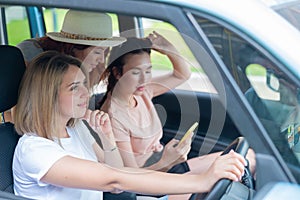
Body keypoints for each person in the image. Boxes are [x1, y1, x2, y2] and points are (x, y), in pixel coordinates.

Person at [12, 51, 247, 200]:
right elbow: (113, 179)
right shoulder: (35, 150)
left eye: (85, 84)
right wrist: (201, 180)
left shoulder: (77, 129)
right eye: (74, 88)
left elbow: (119, 174)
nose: (86, 93)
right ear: (47, 95)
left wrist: (107, 137)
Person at [99, 33, 256, 199]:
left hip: (166, 165)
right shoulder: (112, 116)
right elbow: (130, 178)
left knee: (246, 158)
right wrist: (166, 163)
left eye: (148, 70)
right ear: (117, 73)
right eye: (136, 73)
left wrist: (167, 48)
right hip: (149, 181)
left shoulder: (142, 93)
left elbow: (182, 74)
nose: (144, 79)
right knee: (216, 190)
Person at [3, 9, 125, 122]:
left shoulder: (88, 69)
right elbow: (14, 113)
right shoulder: (33, 60)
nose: (102, 59)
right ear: (74, 47)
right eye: (97, 52)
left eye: (105, 51)